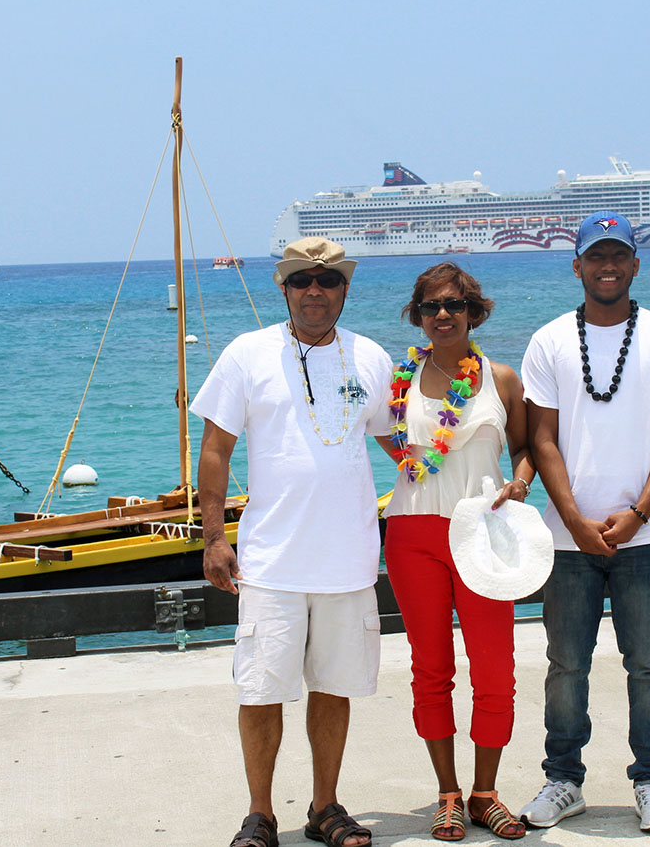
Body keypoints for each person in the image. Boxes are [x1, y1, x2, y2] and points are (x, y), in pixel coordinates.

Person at [191, 237, 392, 847]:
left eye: (327, 280)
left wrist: (473, 472)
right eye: (302, 279)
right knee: (261, 691)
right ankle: (259, 814)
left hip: (349, 559)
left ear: (344, 291)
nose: (314, 290)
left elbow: (398, 443)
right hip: (271, 560)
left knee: (334, 689)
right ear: (284, 288)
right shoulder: (246, 354)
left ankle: (325, 807)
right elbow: (215, 450)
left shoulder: (373, 358)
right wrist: (213, 539)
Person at [518, 212, 650, 833]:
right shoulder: (548, 340)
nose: (607, 267)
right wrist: (571, 518)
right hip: (567, 540)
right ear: (577, 266)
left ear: (635, 265)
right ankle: (563, 779)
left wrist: (640, 511)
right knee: (566, 665)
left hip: (644, 536)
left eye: (618, 256)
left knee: (649, 664)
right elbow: (541, 439)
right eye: (595, 257)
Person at [380, 262, 534, 842]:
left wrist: (519, 485)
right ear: (417, 316)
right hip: (413, 532)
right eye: (429, 307)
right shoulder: (399, 378)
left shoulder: (501, 378)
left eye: (453, 305)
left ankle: (486, 793)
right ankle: (447, 792)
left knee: (496, 668)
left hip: (482, 531)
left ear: (474, 311)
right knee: (431, 668)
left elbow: (526, 448)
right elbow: (379, 429)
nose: (441, 315)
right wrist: (408, 464)